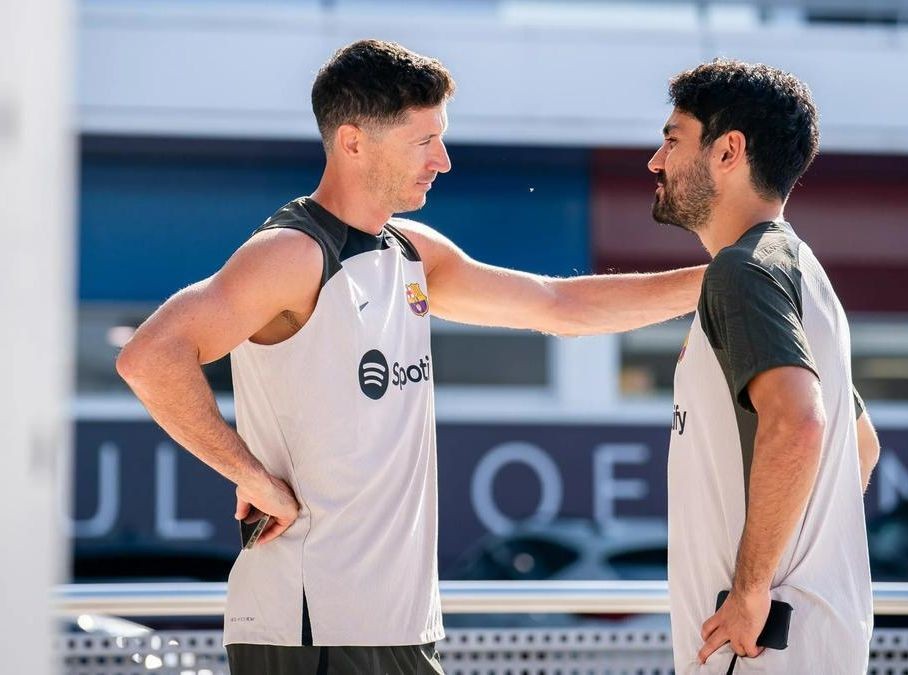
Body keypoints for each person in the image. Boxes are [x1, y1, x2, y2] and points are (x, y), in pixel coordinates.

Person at [116, 39, 706, 674]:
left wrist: (724, 276)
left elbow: (558, 304)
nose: (442, 160)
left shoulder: (409, 252)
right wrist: (252, 476)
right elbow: (150, 356)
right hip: (313, 626)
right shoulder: (292, 253)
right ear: (353, 142)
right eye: (424, 140)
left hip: (399, 621)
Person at [649, 59, 881, 674]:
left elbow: (799, 424)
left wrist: (753, 589)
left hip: (755, 647)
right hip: (803, 642)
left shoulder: (742, 271)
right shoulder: (800, 270)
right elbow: (860, 445)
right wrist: (807, 555)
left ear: (728, 151)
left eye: (673, 140)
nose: (655, 161)